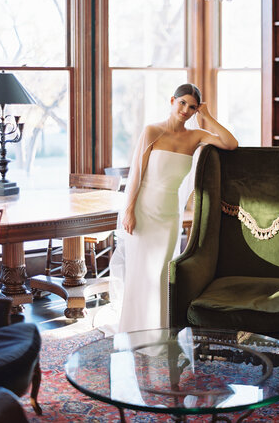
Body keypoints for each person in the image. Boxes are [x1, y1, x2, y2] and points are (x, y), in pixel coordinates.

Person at [99, 83, 238, 335]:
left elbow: (230, 144)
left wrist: (207, 116)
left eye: (192, 107)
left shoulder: (195, 136)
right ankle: (133, 329)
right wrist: (129, 211)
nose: (186, 110)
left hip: (168, 215)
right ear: (172, 100)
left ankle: (158, 330)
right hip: (143, 210)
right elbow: (136, 176)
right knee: (141, 271)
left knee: (162, 272)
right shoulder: (152, 131)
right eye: (182, 103)